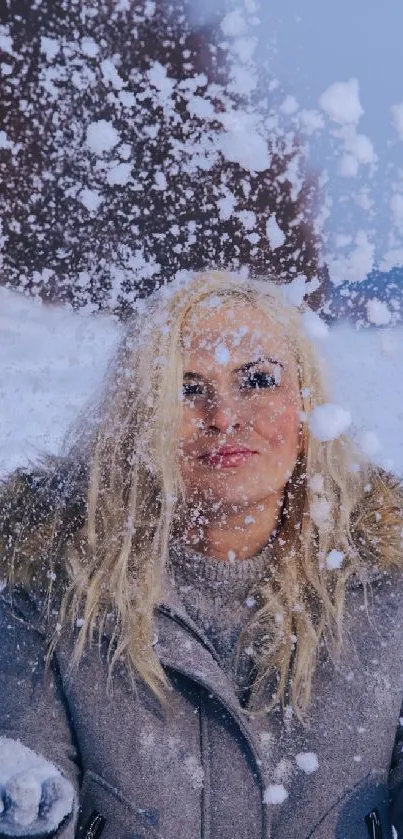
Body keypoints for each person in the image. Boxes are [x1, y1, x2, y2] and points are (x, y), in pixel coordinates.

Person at [1, 269, 403, 839]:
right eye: (188, 389)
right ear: (140, 421)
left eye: (258, 380)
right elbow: (28, 784)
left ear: (308, 406)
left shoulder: (389, 585)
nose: (223, 416)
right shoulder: (50, 592)